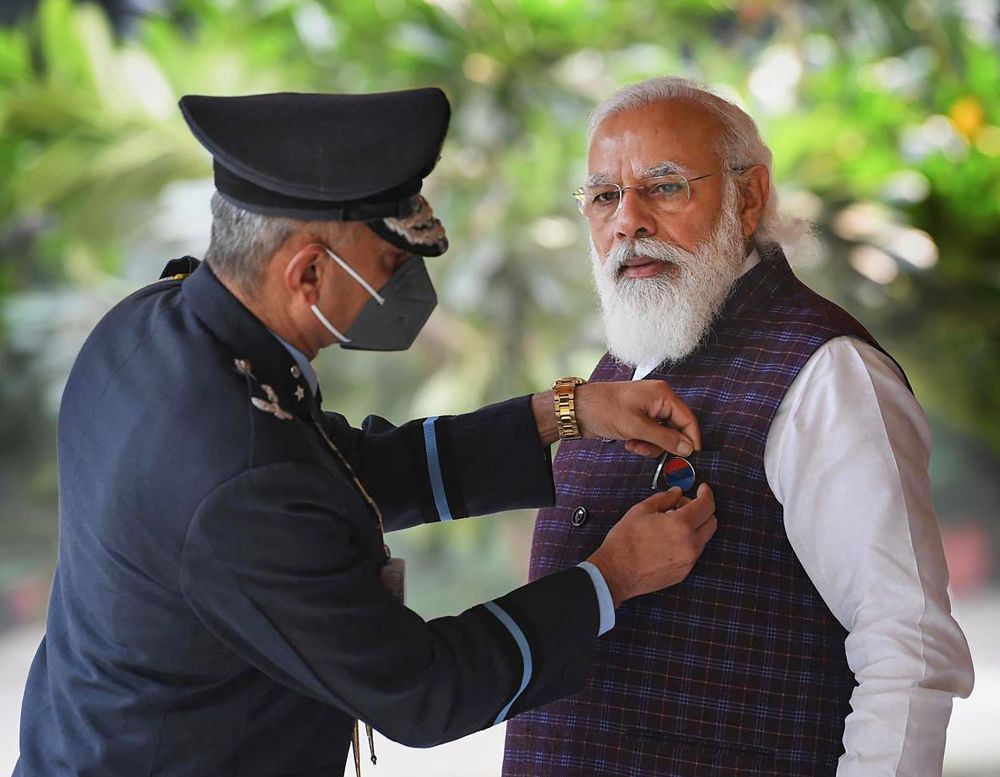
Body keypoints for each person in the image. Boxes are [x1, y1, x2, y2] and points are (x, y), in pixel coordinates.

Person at [13, 87, 720, 777]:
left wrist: (566, 412)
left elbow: (342, 471)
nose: (402, 286)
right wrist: (614, 575)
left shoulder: (153, 326)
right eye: (389, 263)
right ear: (310, 272)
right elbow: (423, 691)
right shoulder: (243, 474)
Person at [503, 77, 975, 777]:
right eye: (604, 196)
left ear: (748, 197)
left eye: (663, 187)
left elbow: (908, 647)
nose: (627, 221)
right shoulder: (620, 370)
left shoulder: (830, 373)